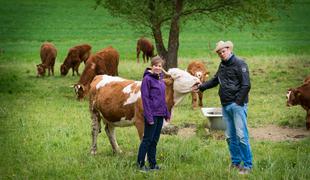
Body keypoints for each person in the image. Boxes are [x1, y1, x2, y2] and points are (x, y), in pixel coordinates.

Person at [194, 40, 253, 174]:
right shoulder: (222, 66)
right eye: (219, 52)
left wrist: (238, 103)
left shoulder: (240, 63)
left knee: (241, 136)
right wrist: (201, 87)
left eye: (223, 51)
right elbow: (215, 80)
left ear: (229, 49)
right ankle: (236, 163)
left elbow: (246, 85)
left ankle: (248, 165)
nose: (221, 53)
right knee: (230, 137)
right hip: (225, 105)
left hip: (237, 105)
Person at [137, 56, 171, 172]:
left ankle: (153, 164)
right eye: (155, 65)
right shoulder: (147, 79)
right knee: (147, 140)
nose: (157, 68)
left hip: (160, 114)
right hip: (152, 115)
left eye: (160, 66)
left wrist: (166, 113)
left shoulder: (160, 79)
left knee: (155, 141)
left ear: (162, 68)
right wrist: (149, 116)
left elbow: (162, 99)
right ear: (152, 66)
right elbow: (145, 99)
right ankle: (140, 165)